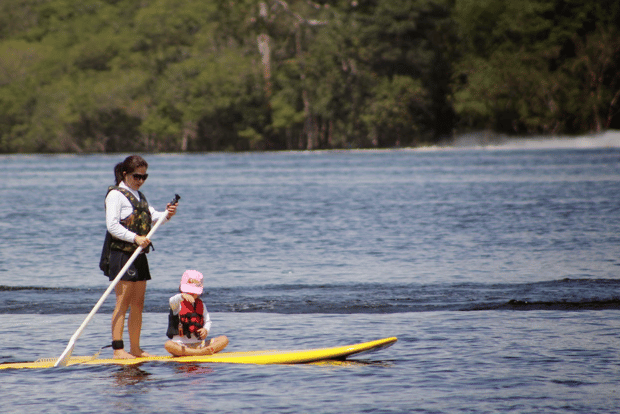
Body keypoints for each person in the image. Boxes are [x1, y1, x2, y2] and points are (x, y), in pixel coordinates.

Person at [101, 155, 178, 359]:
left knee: (138, 303)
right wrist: (135, 238)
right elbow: (112, 226)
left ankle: (135, 349)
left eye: (145, 177)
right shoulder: (116, 195)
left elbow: (153, 217)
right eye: (137, 176)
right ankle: (118, 349)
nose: (141, 180)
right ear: (125, 174)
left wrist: (167, 214)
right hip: (122, 254)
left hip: (139, 255)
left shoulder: (139, 195)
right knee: (122, 302)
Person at [165, 270, 229, 356]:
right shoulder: (177, 304)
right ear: (181, 288)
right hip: (181, 346)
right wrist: (182, 296)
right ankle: (200, 353)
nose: (191, 293)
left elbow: (208, 321)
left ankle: (203, 351)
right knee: (168, 345)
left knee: (224, 339)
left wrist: (206, 330)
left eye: (193, 291)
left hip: (199, 344)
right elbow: (171, 300)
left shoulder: (201, 304)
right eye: (188, 291)